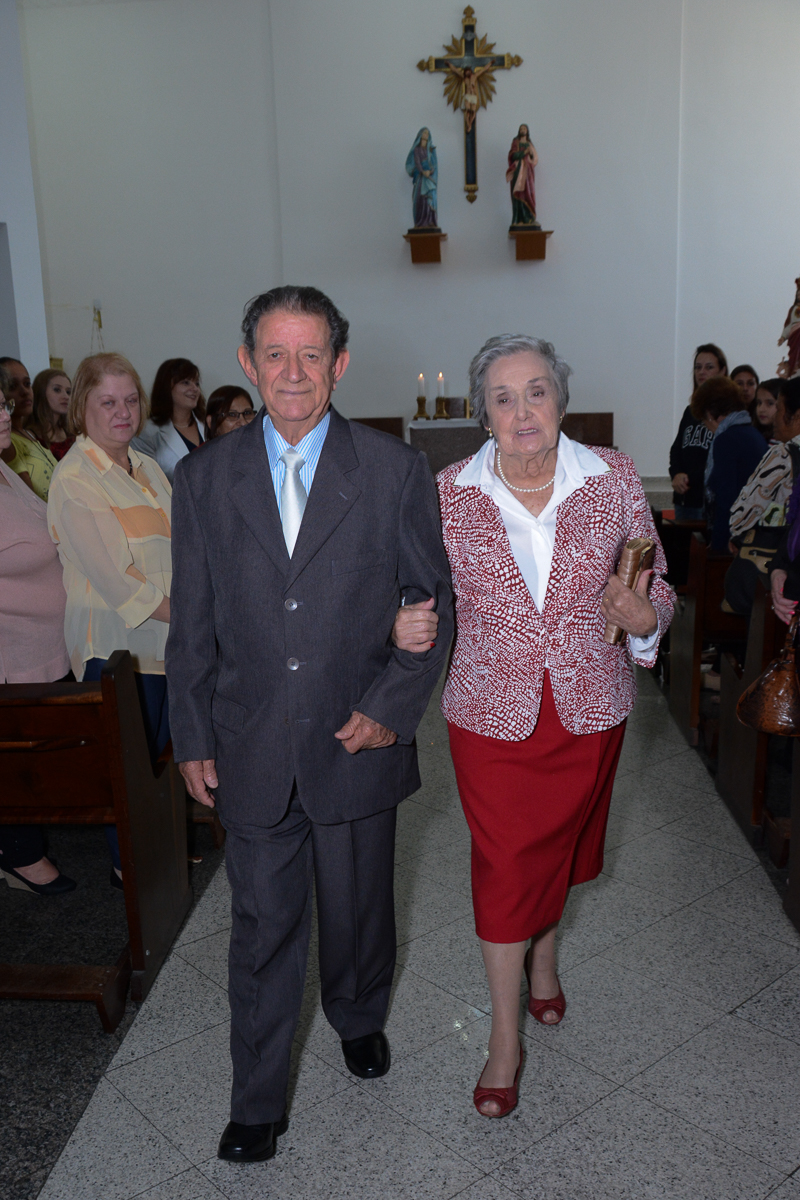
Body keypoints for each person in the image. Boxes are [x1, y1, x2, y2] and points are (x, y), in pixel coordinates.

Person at [166, 285, 453, 1164]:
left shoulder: (392, 470)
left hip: (354, 734)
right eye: (275, 355)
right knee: (261, 927)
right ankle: (256, 1099)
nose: (294, 373)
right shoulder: (205, 478)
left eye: (312, 354)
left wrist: (391, 708)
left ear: (340, 362)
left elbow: (431, 601)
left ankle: (359, 1014)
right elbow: (194, 625)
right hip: (250, 739)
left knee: (360, 908)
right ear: (248, 364)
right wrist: (193, 735)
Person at [394, 335, 673, 1119]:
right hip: (491, 714)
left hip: (589, 705)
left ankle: (545, 962)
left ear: (562, 399)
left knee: (569, 852)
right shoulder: (448, 492)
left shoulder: (611, 476)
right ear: (481, 410)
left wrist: (647, 616)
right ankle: (504, 1038)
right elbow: (413, 589)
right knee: (506, 864)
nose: (523, 411)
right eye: (505, 396)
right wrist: (399, 623)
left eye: (538, 391)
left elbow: (658, 584)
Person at [47, 352, 173, 886]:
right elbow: (120, 581)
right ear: (82, 407)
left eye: (130, 400)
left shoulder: (142, 465)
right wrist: (200, 623)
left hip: (165, 645)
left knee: (158, 769)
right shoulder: (76, 478)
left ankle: (159, 869)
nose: (122, 412)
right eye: (108, 402)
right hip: (118, 650)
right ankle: (133, 879)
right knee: (128, 776)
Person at [0, 365, 75, 896]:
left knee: (38, 763)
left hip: (47, 647)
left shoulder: (6, 466)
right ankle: (17, 855)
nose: (5, 413)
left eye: (2, 405)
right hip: (11, 656)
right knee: (11, 764)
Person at [726, 378, 800, 616]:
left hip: (776, 568)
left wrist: (737, 535)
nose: (775, 415)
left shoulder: (782, 454)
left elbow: (741, 515)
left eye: (778, 407)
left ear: (796, 415)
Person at [692, 375, 767, 551]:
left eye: (705, 421)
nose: (708, 427)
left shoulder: (726, 440)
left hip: (734, 540)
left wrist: (717, 548)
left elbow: (727, 499)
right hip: (753, 534)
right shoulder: (753, 433)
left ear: (711, 414)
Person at [669, 343, 727, 521]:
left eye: (709, 367)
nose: (702, 372)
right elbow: (677, 450)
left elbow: (726, 456)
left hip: (710, 501)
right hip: (685, 499)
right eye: (698, 367)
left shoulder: (728, 412)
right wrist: (676, 474)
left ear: (722, 371)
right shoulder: (690, 411)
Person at [132, 357, 205, 482]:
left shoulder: (208, 424)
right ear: (166, 387)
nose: (195, 389)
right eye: (186, 382)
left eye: (197, 383)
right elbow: (146, 480)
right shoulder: (146, 432)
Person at [0, 356, 57, 500]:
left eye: (27, 383)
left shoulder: (27, 433)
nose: (24, 391)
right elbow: (31, 502)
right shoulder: (7, 442)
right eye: (12, 386)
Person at [28, 369, 74, 462]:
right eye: (57, 390)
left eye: (68, 392)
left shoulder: (71, 431)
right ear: (41, 392)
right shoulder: (29, 435)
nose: (66, 396)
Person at [405, 128, 439, 229]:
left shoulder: (431, 149)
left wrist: (430, 171)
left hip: (429, 177)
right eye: (424, 133)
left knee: (430, 196)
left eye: (428, 133)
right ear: (420, 134)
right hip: (421, 176)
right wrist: (423, 171)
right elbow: (417, 162)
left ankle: (430, 221)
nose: (426, 134)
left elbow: (434, 164)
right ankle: (420, 221)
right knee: (420, 197)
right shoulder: (417, 149)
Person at [506, 124, 539, 227]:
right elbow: (513, 155)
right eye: (521, 128)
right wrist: (524, 152)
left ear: (527, 131)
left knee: (528, 193)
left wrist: (530, 154)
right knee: (517, 193)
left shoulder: (529, 144)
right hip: (518, 170)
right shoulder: (516, 142)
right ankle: (518, 218)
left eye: (524, 128)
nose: (522, 130)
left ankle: (528, 218)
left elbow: (534, 158)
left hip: (528, 172)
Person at [748, 377, 780, 442]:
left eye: (770, 403)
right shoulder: (753, 433)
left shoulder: (783, 441)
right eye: (759, 403)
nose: (761, 409)